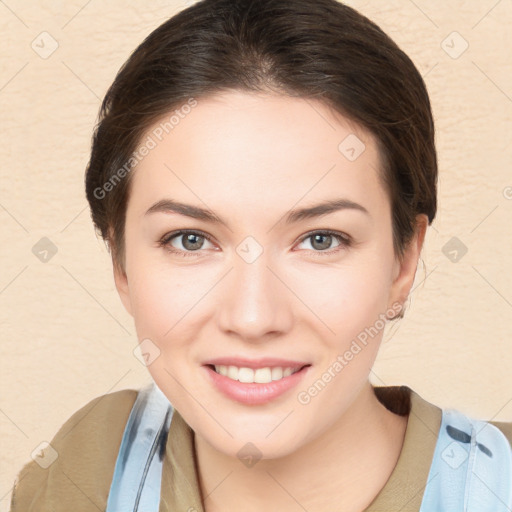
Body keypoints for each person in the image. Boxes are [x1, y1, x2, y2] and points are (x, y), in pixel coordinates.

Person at [9, 0, 512, 510]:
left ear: (404, 261)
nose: (252, 318)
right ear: (120, 262)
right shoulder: (83, 471)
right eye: (190, 239)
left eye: (321, 239)